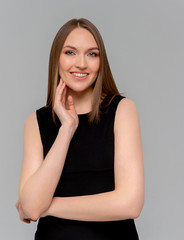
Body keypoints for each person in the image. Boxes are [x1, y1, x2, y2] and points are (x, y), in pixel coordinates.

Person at [15, 18, 144, 239]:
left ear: (101, 62)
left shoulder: (122, 110)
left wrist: (49, 206)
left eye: (92, 54)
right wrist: (67, 128)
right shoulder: (35, 122)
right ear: (57, 58)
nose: (81, 63)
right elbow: (31, 206)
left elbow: (130, 204)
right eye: (70, 52)